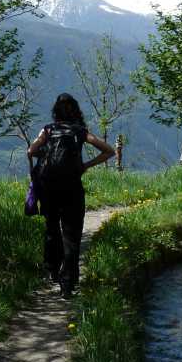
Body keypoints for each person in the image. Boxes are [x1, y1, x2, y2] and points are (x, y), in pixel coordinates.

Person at [27, 93, 116, 298]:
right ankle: (68, 284)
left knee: (52, 229)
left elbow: (30, 151)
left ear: (55, 112)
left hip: (49, 188)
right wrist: (85, 166)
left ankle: (53, 270)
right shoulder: (80, 132)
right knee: (72, 234)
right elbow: (109, 151)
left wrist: (43, 163)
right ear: (75, 111)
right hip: (72, 188)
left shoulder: (47, 130)